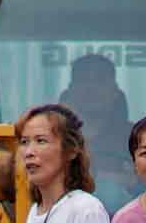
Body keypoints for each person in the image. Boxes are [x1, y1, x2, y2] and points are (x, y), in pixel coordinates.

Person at [57, 53, 134, 194]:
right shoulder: (53, 137)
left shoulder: (135, 138)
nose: (91, 88)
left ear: (115, 91)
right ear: (70, 90)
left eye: (100, 81)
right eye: (84, 81)